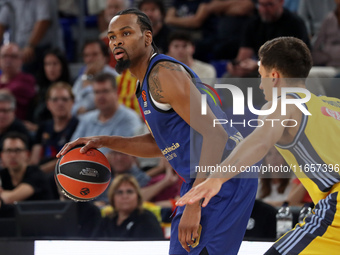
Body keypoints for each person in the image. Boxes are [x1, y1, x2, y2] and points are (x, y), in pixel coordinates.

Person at [58, 8, 257, 255]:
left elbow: (215, 133)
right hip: (207, 178)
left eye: (126, 33)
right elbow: (159, 144)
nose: (116, 41)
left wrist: (194, 203)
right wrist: (104, 141)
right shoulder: (144, 85)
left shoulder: (163, 75)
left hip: (221, 176)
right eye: (111, 36)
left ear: (148, 38)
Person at [177, 36, 340, 255]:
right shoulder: (333, 105)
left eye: (260, 76)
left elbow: (260, 141)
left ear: (274, 77)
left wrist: (216, 178)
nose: (260, 84)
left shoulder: (284, 103)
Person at [226, 0, 310, 78]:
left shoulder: (295, 24)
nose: (264, 9)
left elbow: (293, 60)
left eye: (269, 4)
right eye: (261, 5)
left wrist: (259, 65)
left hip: (286, 71)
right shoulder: (253, 24)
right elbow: (243, 56)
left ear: (281, 2)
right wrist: (236, 65)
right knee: (229, 77)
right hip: (261, 69)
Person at [0, 0, 63, 77]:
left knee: (25, 58)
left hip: (42, 47)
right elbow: (1, 23)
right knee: (9, 57)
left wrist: (30, 45)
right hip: (20, 48)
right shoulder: (11, 2)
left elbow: (44, 21)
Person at [93, 174, 164, 239]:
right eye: (119, 192)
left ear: (138, 196)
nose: (125, 196)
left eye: (129, 191)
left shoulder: (147, 219)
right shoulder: (106, 221)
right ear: (112, 197)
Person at [0, 132, 52, 204]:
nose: (13, 155)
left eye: (18, 150)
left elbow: (10, 198)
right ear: (2, 155)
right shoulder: (2, 174)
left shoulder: (36, 173)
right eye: (8, 150)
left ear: (27, 154)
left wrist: (4, 194)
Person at [72, 39, 118, 116]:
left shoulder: (115, 77)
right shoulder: (82, 78)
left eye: (95, 54)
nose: (90, 59)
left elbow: (94, 103)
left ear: (105, 57)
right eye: (86, 55)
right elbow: (72, 103)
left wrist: (84, 108)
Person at [0, 43, 36, 120]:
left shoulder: (27, 80)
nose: (8, 60)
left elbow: (5, 95)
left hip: (16, 128)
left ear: (21, 60)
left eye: (13, 56)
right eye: (4, 56)